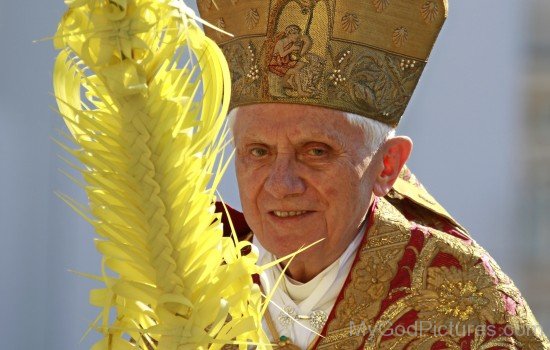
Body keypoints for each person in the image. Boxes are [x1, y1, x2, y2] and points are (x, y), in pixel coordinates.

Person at [199, 0, 550, 348]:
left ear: (387, 166)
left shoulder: (466, 307)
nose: (281, 184)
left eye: (316, 152)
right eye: (258, 152)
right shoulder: (182, 275)